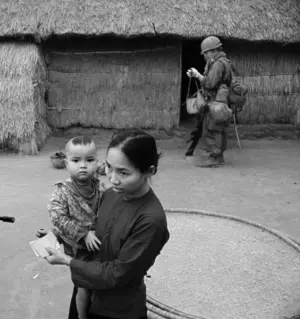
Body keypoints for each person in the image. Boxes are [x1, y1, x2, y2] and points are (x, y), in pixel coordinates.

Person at [42, 130, 170, 319]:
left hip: (117, 309)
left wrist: (67, 260)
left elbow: (117, 274)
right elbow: (95, 231)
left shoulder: (150, 221)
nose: (112, 178)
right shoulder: (111, 194)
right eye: (109, 167)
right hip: (89, 284)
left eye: (124, 172)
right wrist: (60, 235)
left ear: (149, 171)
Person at [38, 136, 107, 319]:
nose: (83, 165)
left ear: (97, 162)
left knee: (99, 285)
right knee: (83, 288)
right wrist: (83, 234)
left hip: (99, 245)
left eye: (89, 160)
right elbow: (57, 216)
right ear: (66, 163)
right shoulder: (63, 191)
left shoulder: (100, 186)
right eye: (76, 161)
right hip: (80, 249)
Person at [186, 36, 233, 167]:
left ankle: (215, 158)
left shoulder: (218, 64)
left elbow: (210, 83)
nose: (205, 55)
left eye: (206, 52)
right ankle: (218, 156)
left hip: (215, 102)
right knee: (218, 129)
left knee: (212, 129)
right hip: (219, 102)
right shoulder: (223, 62)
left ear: (213, 50)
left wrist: (197, 75)